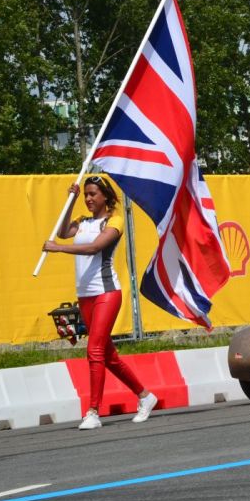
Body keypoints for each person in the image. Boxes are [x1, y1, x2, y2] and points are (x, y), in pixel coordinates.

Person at [43, 175, 157, 430]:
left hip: (106, 293)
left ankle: (93, 411)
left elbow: (95, 248)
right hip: (85, 296)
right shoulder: (83, 222)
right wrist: (70, 200)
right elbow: (62, 232)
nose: (89, 199)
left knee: (94, 350)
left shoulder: (113, 221)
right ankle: (145, 396)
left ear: (105, 196)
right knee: (109, 356)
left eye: (93, 194)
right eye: (85, 194)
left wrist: (58, 249)